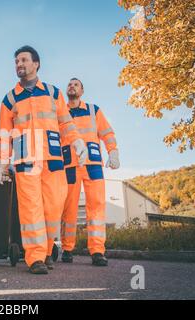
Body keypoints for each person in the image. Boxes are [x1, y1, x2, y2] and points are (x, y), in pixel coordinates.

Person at [0, 46, 87, 274]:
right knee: (31, 209)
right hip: (26, 161)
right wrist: (2, 162)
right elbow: (4, 134)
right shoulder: (10, 99)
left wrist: (77, 141)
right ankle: (35, 257)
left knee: (53, 208)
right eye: (16, 61)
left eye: (24, 60)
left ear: (36, 64)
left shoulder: (53, 92)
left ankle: (47, 252)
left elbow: (66, 123)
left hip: (53, 159)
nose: (19, 64)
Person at [60, 78, 120, 267]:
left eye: (76, 84)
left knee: (96, 208)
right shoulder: (61, 113)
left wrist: (113, 151)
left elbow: (107, 133)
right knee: (68, 209)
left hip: (93, 164)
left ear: (82, 90)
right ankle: (67, 249)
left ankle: (97, 251)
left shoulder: (94, 111)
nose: (72, 86)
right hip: (69, 164)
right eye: (69, 84)